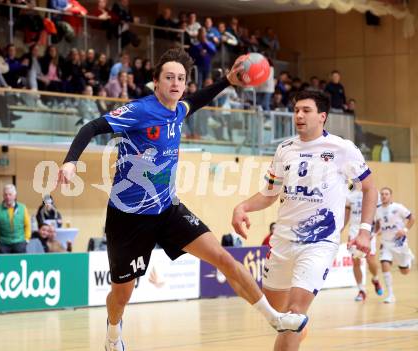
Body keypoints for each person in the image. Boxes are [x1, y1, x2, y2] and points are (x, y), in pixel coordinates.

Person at [57, 48, 307, 351]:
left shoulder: (177, 111)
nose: (176, 83)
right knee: (121, 294)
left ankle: (275, 318)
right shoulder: (140, 110)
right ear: (156, 81)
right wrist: (71, 162)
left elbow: (196, 101)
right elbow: (92, 127)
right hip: (128, 218)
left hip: (167, 209)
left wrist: (227, 80)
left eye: (181, 78)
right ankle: (112, 333)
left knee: (224, 257)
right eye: (169, 78)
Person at [232, 90, 378, 351]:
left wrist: (365, 230)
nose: (298, 115)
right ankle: (298, 327)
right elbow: (269, 194)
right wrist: (243, 206)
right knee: (277, 313)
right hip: (283, 241)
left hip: (319, 241)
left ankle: (296, 324)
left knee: (292, 315)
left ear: (322, 116)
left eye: (306, 110)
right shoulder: (284, 149)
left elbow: (370, 188)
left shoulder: (342, 149)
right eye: (296, 110)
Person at [375, 187, 415, 303]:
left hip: (399, 242)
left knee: (404, 271)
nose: (384, 196)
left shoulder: (398, 207)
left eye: (386, 194)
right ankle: (391, 295)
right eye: (382, 194)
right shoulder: (377, 210)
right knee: (384, 263)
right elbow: (378, 224)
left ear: (390, 196)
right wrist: (375, 232)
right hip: (385, 242)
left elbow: (412, 218)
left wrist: (405, 230)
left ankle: (408, 259)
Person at [343, 183, 383, 301]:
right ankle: (361, 290)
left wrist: (375, 232)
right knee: (355, 261)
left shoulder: (375, 193)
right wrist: (340, 229)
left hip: (368, 230)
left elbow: (379, 218)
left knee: (370, 260)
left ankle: (375, 278)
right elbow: (346, 216)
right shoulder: (350, 195)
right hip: (354, 230)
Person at [0, 184, 31, 254]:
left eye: (10, 194)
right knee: (4, 264)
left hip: (20, 243)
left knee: (19, 264)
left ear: (15, 196)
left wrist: (27, 239)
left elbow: (27, 225)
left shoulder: (23, 208)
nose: (8, 197)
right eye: (5, 195)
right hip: (3, 244)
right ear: (3, 196)